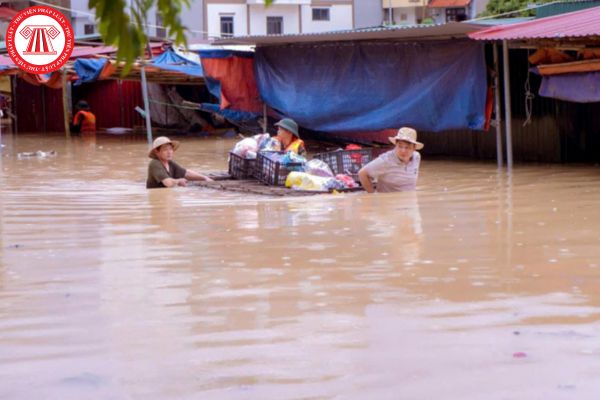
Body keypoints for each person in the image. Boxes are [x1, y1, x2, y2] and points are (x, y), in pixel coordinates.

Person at [358, 127, 423, 193]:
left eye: (407, 147)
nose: (403, 151)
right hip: (391, 202)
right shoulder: (385, 160)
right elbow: (362, 173)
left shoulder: (416, 157)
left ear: (414, 148)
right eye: (400, 146)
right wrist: (372, 196)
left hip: (410, 201)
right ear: (395, 145)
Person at [146, 136, 213, 189]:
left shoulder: (170, 163)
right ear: (157, 152)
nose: (169, 152)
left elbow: (186, 173)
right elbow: (168, 183)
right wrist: (178, 181)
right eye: (165, 149)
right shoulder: (155, 163)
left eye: (170, 149)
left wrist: (205, 178)